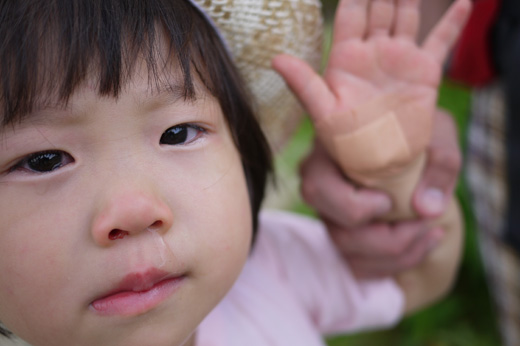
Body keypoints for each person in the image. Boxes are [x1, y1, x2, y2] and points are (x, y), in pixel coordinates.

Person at [0, 0, 470, 345]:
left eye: (180, 132)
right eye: (44, 160)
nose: (136, 209)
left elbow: (421, 275)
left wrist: (393, 175)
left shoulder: (267, 271)